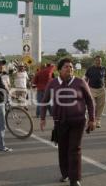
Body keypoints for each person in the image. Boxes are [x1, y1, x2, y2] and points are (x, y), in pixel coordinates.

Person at [40, 58, 96, 186]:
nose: (69, 69)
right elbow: (44, 101)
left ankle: (74, 178)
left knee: (74, 149)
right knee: (63, 149)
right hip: (60, 122)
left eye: (71, 67)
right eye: (66, 67)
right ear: (59, 69)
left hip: (78, 121)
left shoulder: (80, 82)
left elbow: (90, 101)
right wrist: (42, 118)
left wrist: (92, 119)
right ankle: (65, 173)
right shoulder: (53, 83)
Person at [84, 55, 106, 128]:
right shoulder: (90, 69)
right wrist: (86, 87)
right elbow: (86, 78)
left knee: (100, 106)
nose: (98, 62)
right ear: (94, 61)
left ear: (101, 61)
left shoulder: (104, 69)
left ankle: (98, 121)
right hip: (92, 89)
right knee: (92, 105)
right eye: (97, 60)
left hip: (101, 90)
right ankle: (91, 120)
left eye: (100, 60)